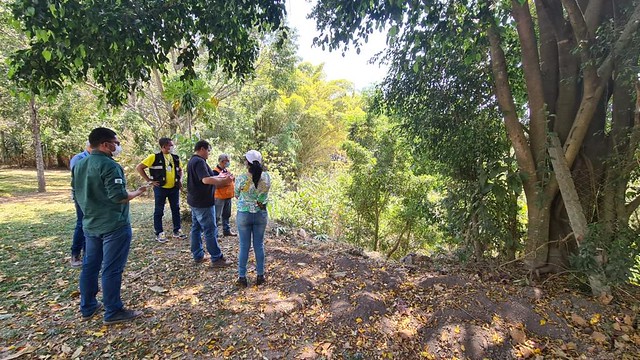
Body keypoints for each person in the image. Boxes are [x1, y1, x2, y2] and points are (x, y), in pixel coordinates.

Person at [72, 127, 148, 325]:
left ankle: (87, 306)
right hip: (114, 224)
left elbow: (78, 194)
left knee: (90, 266)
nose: (118, 146)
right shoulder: (110, 166)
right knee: (112, 268)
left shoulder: (80, 164)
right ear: (105, 144)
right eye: (116, 143)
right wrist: (137, 192)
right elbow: (119, 197)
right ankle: (113, 310)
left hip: (91, 223)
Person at [186, 140, 233, 267]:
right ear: (202, 149)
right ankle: (216, 258)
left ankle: (198, 255)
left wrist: (221, 178)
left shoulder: (193, 161)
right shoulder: (199, 162)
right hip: (203, 202)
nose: (209, 153)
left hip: (195, 200)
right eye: (208, 150)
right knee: (210, 229)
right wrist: (224, 181)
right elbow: (206, 180)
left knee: (196, 228)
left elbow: (207, 177)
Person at [136, 137, 185, 243]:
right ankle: (159, 232)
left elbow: (181, 170)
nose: (172, 147)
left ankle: (177, 230)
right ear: (163, 146)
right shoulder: (154, 157)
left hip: (174, 188)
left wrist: (180, 180)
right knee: (159, 211)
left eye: (172, 145)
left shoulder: (175, 157)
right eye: (170, 145)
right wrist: (149, 180)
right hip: (160, 188)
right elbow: (139, 167)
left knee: (176, 209)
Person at [234, 150, 271, 287]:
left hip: (244, 214)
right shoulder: (266, 177)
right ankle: (260, 275)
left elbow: (236, 194)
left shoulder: (241, 178)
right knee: (259, 245)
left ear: (247, 163)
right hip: (261, 214)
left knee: (244, 246)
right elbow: (265, 192)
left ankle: (242, 277)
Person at [69, 141, 91, 267]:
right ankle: (75, 254)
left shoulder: (95, 159)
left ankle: (87, 253)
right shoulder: (78, 159)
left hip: (93, 197)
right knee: (81, 223)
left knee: (89, 223)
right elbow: (78, 178)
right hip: (81, 196)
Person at [212, 153, 237, 237]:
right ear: (222, 161)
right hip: (219, 197)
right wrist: (226, 182)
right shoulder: (215, 172)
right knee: (216, 216)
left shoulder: (226, 170)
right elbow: (215, 185)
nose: (228, 162)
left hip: (228, 196)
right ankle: (214, 233)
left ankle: (226, 231)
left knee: (226, 214)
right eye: (227, 161)